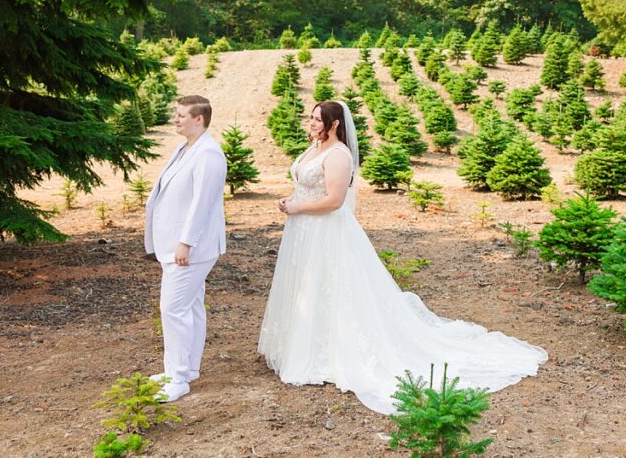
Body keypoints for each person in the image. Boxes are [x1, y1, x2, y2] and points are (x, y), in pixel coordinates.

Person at [258, 101, 547, 414]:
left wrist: (298, 207)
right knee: (307, 288)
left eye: (318, 119)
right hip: (304, 234)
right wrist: (293, 199)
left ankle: (329, 355)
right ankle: (303, 347)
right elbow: (305, 185)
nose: (312, 123)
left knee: (332, 289)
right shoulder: (314, 148)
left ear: (336, 124)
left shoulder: (339, 154)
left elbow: (334, 200)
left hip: (325, 234)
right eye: (312, 118)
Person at [144, 95, 227, 402]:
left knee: (173, 307)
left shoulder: (208, 154)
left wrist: (185, 243)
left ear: (199, 120)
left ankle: (178, 379)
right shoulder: (185, 148)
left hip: (192, 248)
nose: (175, 119)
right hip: (175, 244)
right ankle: (187, 368)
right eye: (175, 114)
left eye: (181, 115)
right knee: (190, 306)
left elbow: (202, 204)